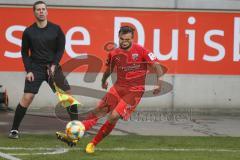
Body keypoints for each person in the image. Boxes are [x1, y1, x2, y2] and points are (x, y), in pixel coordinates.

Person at [57, 26, 163, 153]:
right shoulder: (114, 53)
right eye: (122, 39)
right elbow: (108, 70)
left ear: (132, 39)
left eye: (127, 39)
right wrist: (103, 81)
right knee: (97, 112)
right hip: (118, 88)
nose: (124, 41)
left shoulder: (141, 50)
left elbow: (157, 67)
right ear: (119, 37)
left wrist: (159, 83)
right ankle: (73, 135)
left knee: (113, 116)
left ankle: (93, 143)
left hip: (134, 91)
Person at [8, 1, 78, 139]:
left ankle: (76, 127)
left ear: (47, 11)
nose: (41, 11)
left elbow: (60, 49)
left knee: (67, 96)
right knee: (27, 97)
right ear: (34, 12)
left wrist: (54, 64)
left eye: (43, 9)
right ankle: (14, 130)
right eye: (38, 9)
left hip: (53, 67)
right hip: (35, 68)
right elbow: (24, 53)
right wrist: (29, 70)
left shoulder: (56, 29)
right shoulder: (29, 32)